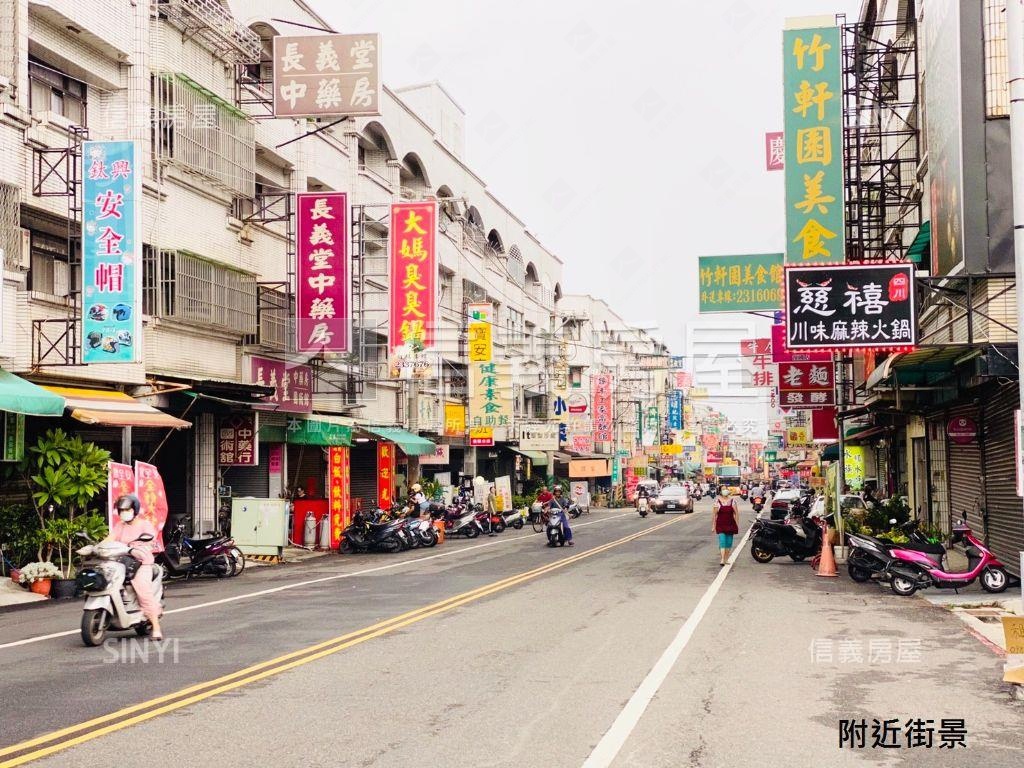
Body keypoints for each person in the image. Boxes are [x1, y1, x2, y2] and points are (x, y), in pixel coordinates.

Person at [105, 494, 163, 640]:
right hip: (122, 561)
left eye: (127, 509)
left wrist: (136, 546)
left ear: (134, 510)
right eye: (121, 510)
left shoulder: (144, 525)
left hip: (141, 563)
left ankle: (156, 628)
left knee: (143, 591)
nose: (124, 512)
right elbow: (110, 539)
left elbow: (150, 538)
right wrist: (96, 547)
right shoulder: (120, 526)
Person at [712, 488, 740, 567]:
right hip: (720, 525)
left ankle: (726, 559)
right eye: (723, 489)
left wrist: (737, 524)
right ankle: (722, 559)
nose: (725, 491)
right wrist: (713, 526)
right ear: (721, 492)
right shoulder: (717, 502)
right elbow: (714, 515)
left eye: (726, 489)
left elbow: (736, 514)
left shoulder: (733, 501)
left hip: (730, 524)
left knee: (728, 543)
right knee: (722, 542)